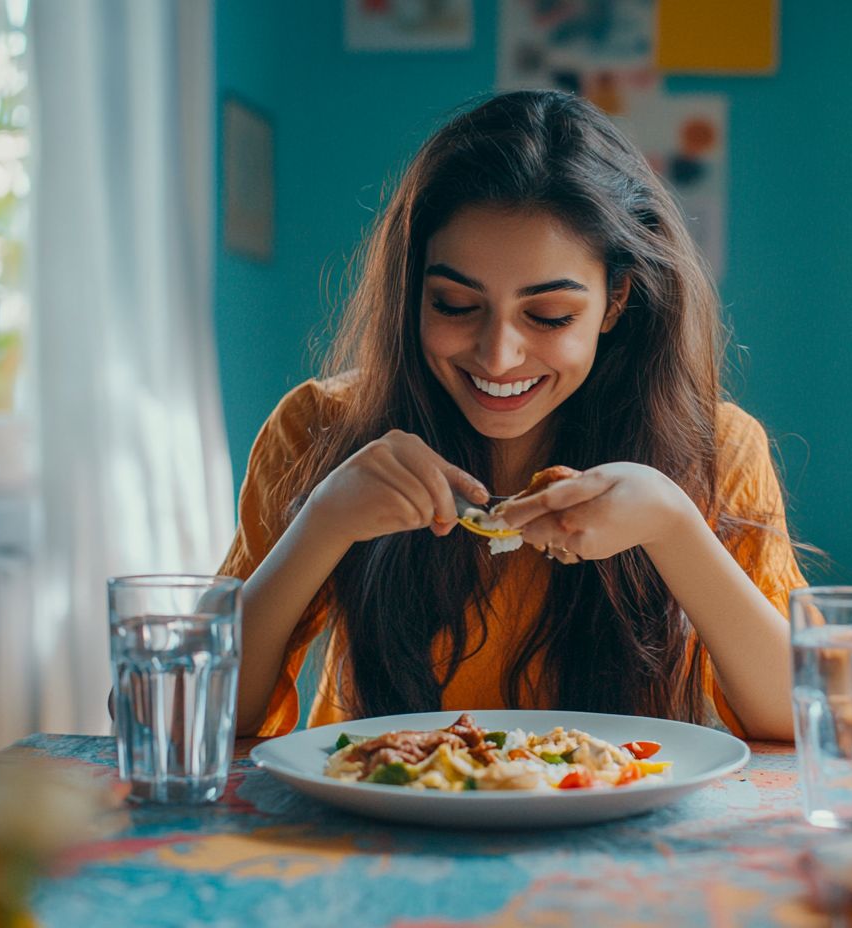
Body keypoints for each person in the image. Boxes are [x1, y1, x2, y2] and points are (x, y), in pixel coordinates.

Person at [221, 90, 805, 742]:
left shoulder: (717, 448)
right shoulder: (320, 426)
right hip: (375, 836)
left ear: (616, 301)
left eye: (548, 315)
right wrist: (322, 521)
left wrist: (673, 526)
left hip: (612, 833)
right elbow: (203, 716)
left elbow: (795, 717)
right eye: (454, 304)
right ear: (412, 291)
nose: (498, 356)